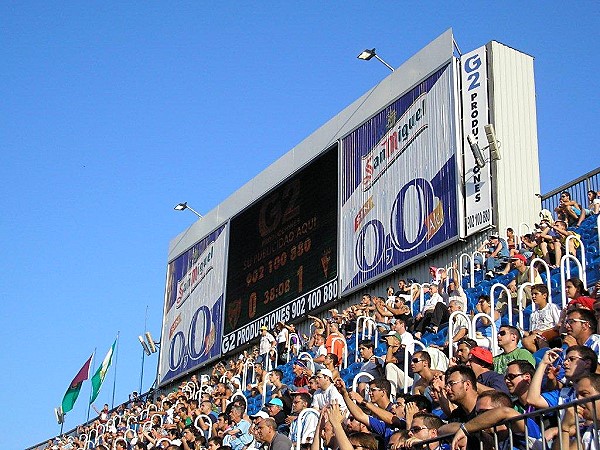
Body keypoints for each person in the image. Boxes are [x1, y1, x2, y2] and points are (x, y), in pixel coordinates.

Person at [522, 283, 561, 352]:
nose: (533, 296)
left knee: (526, 341)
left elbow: (559, 325)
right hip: (536, 337)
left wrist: (542, 332)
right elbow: (532, 332)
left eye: (536, 294)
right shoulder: (533, 314)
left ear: (544, 295)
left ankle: (542, 355)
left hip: (551, 334)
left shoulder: (552, 307)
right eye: (532, 294)